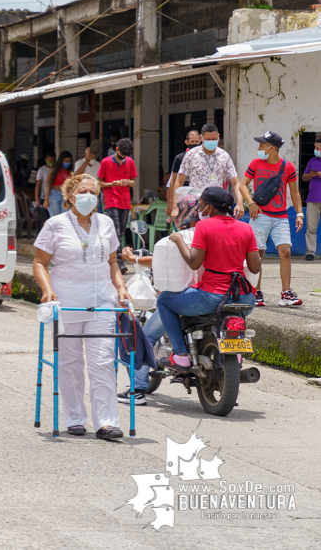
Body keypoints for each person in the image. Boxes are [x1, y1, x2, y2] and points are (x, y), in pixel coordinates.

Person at [32, 173, 129, 440]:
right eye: (83, 191)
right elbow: (39, 262)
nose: (89, 196)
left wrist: (121, 287)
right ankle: (75, 418)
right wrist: (47, 289)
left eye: (93, 192)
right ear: (70, 196)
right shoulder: (55, 224)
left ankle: (106, 422)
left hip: (102, 302)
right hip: (68, 302)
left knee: (103, 363)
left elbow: (112, 262)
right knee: (70, 363)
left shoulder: (106, 223)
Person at [156, 187, 259, 372]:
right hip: (244, 298)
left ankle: (180, 355)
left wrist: (179, 240)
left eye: (202, 206)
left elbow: (194, 263)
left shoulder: (204, 226)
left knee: (163, 300)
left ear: (210, 208)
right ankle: (235, 350)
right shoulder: (246, 228)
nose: (200, 210)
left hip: (212, 297)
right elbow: (255, 268)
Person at [117, 195, 202, 405]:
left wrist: (132, 259)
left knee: (144, 337)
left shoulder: (176, 238)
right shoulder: (211, 234)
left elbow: (158, 261)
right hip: (212, 297)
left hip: (182, 300)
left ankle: (137, 390)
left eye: (176, 212)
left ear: (185, 213)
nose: (173, 217)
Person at [239, 130, 304, 307]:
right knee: (257, 254)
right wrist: (251, 203)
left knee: (286, 252)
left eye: (262, 145)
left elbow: (294, 192)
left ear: (271, 148)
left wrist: (299, 213)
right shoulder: (256, 163)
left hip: (281, 216)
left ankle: (286, 293)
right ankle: (256, 292)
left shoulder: (288, 167)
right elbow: (242, 184)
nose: (258, 148)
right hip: (260, 215)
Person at [169, 123, 243, 220]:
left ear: (218, 136)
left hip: (217, 208)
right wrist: (175, 207)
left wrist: (240, 203)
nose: (211, 142)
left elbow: (236, 182)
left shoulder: (224, 156)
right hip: (195, 208)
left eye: (214, 139)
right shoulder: (191, 155)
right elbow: (179, 181)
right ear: (201, 138)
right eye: (208, 139)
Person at [97, 138, 138, 269]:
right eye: (121, 155)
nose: (123, 158)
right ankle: (118, 260)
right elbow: (99, 182)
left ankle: (110, 256)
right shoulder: (105, 162)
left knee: (120, 230)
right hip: (111, 199)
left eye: (125, 156)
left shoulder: (130, 162)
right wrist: (111, 184)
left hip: (125, 200)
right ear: (116, 149)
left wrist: (127, 182)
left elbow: (133, 182)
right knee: (115, 227)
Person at [303, 137, 321, 262]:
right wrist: (311, 175)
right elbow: (304, 177)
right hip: (313, 199)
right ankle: (310, 252)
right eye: (315, 147)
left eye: (318, 148)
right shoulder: (312, 161)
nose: (315, 150)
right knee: (311, 228)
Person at [167, 130, 200, 194]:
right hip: (183, 194)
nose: (194, 144)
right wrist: (172, 200)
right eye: (192, 142)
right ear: (186, 142)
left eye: (196, 141)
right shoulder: (180, 158)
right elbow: (172, 180)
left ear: (200, 141)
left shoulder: (204, 158)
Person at [44, 151, 73, 217]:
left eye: (69, 161)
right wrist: (46, 200)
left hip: (65, 196)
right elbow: (48, 185)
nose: (68, 163)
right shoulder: (55, 170)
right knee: (55, 218)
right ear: (61, 160)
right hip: (54, 195)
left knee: (64, 217)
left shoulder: (70, 172)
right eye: (66, 161)